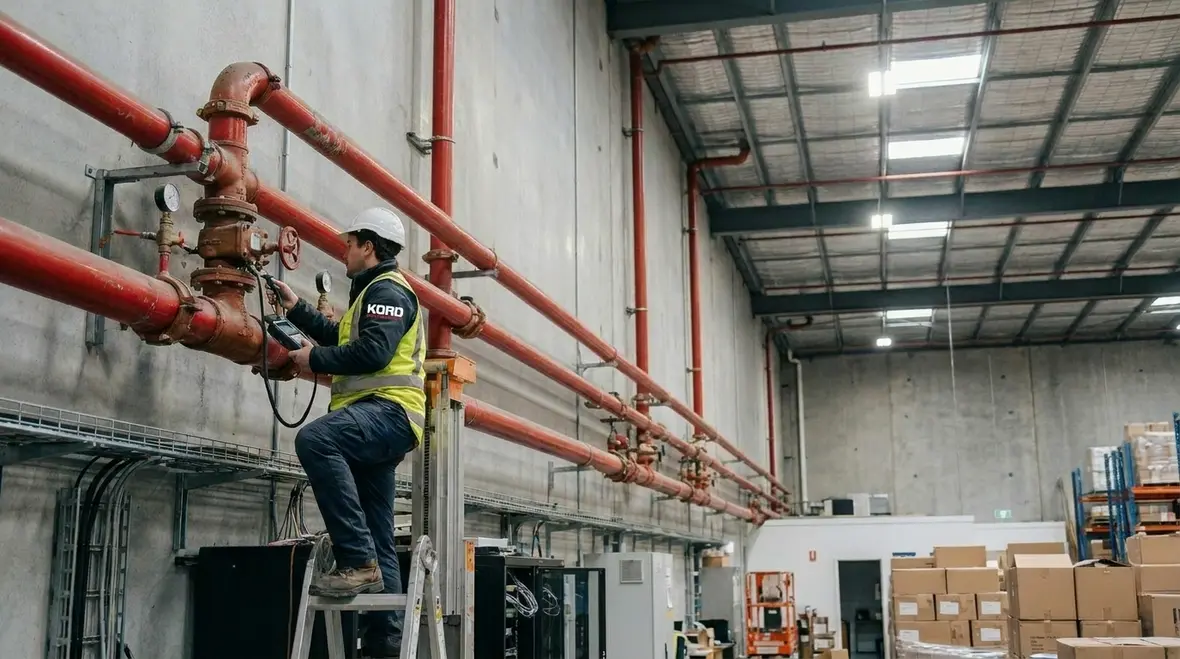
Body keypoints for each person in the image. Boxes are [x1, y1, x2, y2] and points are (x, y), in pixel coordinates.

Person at [269, 206, 425, 658]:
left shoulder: (388, 291)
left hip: (389, 414)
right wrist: (295, 308)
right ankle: (384, 646)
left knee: (316, 439)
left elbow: (373, 353)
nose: (344, 251)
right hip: (379, 421)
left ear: (369, 247)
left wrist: (311, 361)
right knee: (381, 538)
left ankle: (355, 561)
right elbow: (342, 337)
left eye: (350, 243)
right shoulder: (372, 294)